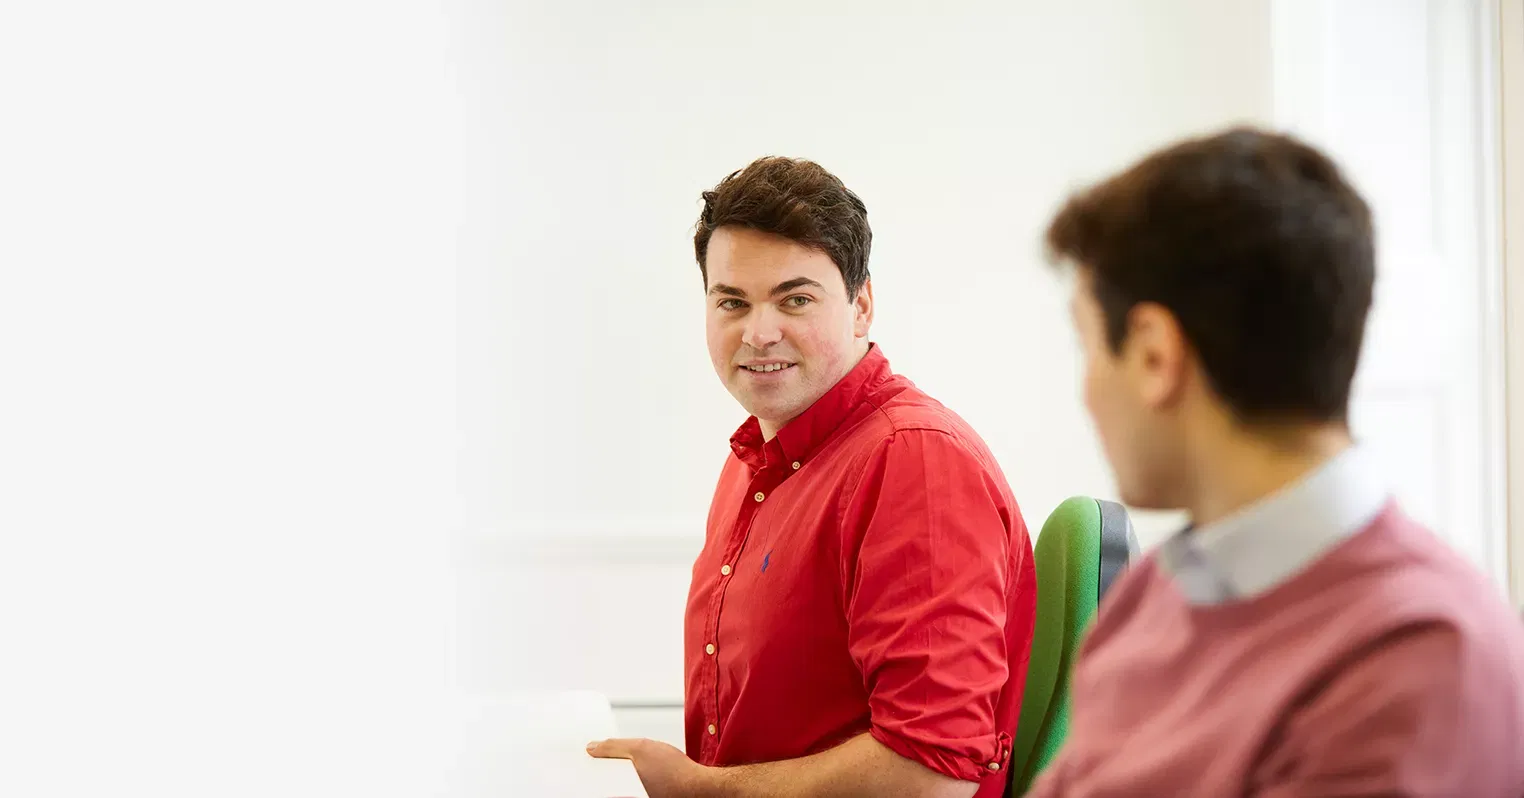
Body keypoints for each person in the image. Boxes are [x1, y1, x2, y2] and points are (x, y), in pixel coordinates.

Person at [1029, 127, 1524, 796]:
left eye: (1087, 346)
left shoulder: (1417, 660)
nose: (1085, 388)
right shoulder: (1156, 592)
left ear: (1153, 356)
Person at [590, 156, 1037, 798]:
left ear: (861, 306)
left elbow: (930, 775)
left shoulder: (914, 460)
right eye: (732, 302)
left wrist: (702, 791)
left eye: (795, 299)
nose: (758, 332)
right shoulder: (755, 461)